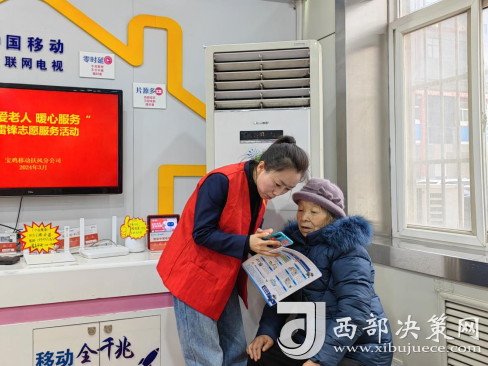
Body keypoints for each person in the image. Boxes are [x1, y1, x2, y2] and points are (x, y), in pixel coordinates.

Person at [157, 136, 309, 366]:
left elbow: (237, 230)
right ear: (262, 167)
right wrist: (248, 242)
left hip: (224, 276)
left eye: (287, 189)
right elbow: (202, 233)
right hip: (194, 277)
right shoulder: (221, 181)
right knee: (205, 357)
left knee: (236, 351)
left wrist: (259, 240)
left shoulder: (261, 193)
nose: (278, 192)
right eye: (278, 184)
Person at [246, 179, 393, 366]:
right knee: (259, 357)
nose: (304, 218)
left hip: (358, 349)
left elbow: (354, 312)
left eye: (314, 212)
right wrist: (267, 332)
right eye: (300, 210)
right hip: (311, 340)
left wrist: (320, 360)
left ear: (331, 216)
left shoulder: (349, 250)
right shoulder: (294, 246)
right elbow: (282, 296)